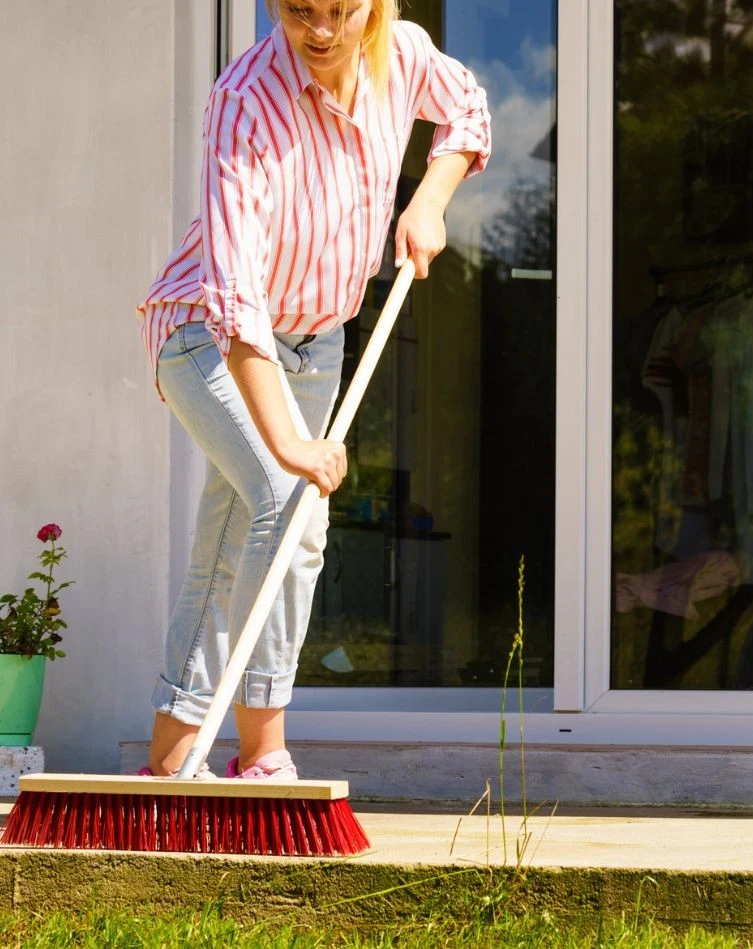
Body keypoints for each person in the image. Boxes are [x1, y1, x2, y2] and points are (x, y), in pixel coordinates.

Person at [135, 0, 491, 779]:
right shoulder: (243, 103)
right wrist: (292, 443)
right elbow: (234, 301)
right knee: (287, 508)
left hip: (318, 342)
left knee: (228, 545)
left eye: (343, 9)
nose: (323, 30)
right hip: (206, 334)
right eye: (300, 9)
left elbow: (466, 107)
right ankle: (263, 755)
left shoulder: (401, 52)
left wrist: (428, 199)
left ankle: (165, 763)